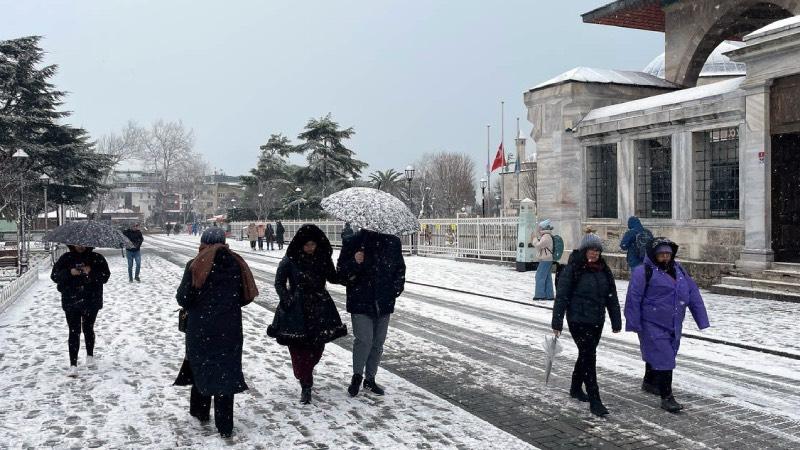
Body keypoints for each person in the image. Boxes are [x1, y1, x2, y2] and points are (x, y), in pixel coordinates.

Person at [174, 227, 258, 438]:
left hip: (200, 328)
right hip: (229, 328)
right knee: (225, 372)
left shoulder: (195, 265)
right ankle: (225, 425)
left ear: (203, 243)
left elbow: (183, 298)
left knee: (201, 367)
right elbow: (245, 296)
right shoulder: (236, 264)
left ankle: (201, 412)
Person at [625, 238, 710, 413]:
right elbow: (633, 298)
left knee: (664, 353)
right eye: (661, 254)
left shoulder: (678, 270)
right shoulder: (643, 271)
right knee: (665, 358)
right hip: (651, 322)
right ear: (654, 255)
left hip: (674, 322)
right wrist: (633, 322)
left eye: (668, 254)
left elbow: (692, 292)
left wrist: (701, 319)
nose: (665, 257)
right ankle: (667, 397)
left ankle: (649, 381)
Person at [269, 225, 347, 404]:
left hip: (320, 306)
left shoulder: (322, 258)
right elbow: (279, 283)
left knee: (317, 347)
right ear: (301, 244)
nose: (311, 248)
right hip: (296, 309)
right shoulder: (290, 260)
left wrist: (351, 265)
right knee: (298, 347)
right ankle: (306, 383)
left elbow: (334, 278)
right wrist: (287, 299)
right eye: (307, 245)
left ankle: (305, 373)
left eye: (313, 244)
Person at [552, 234, 621, 417]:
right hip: (577, 319)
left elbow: (611, 296)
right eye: (591, 250)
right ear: (584, 251)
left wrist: (616, 320)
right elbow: (562, 296)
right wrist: (557, 321)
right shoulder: (574, 268)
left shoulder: (603, 269)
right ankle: (595, 399)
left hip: (597, 320)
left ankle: (575, 388)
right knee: (589, 356)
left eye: (597, 250)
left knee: (585, 354)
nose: (594, 254)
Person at [338, 229, 406, 397]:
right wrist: (355, 262)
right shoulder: (353, 242)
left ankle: (370, 378)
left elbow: (400, 269)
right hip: (360, 300)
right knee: (364, 340)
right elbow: (340, 275)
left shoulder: (392, 242)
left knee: (378, 342)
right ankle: (357, 376)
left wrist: (394, 289)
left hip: (383, 301)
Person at [50, 245, 111, 377]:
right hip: (71, 300)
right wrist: (70, 272)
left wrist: (91, 271)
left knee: (88, 328)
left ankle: (90, 355)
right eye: (77, 244)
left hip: (91, 299)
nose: (80, 246)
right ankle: (73, 365)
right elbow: (54, 276)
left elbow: (105, 276)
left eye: (83, 244)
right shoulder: (66, 258)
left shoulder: (97, 258)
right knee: (74, 331)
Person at [531, 219, 555, 300]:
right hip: (548, 259)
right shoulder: (547, 236)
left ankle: (540, 295)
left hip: (545, 259)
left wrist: (534, 239)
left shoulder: (546, 237)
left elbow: (538, 245)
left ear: (543, 228)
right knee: (547, 277)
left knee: (539, 276)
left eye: (540, 227)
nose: (539, 229)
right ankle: (549, 295)